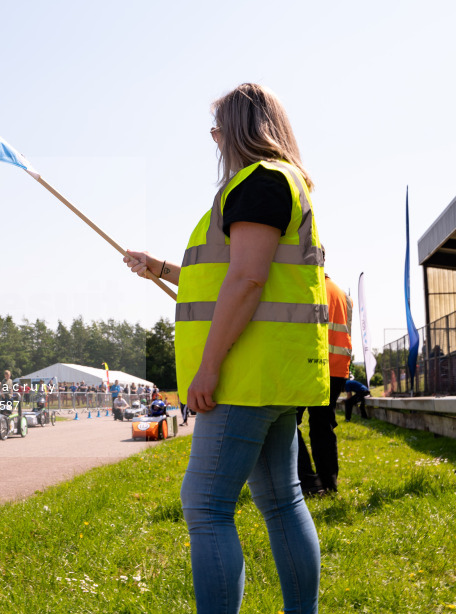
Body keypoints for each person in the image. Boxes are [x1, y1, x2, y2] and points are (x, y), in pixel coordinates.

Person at [124, 83, 327, 613]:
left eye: (217, 131)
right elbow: (232, 274)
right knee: (282, 501)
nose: (215, 142)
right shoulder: (284, 182)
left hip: (244, 374)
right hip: (275, 374)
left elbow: (246, 281)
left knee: (207, 507)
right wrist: (161, 269)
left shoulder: (257, 184)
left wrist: (208, 368)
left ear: (236, 131)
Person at [296, 273, 351, 495]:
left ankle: (309, 482)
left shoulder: (308, 286)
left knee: (287, 423)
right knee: (323, 426)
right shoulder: (342, 294)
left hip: (310, 364)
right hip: (337, 368)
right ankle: (329, 483)